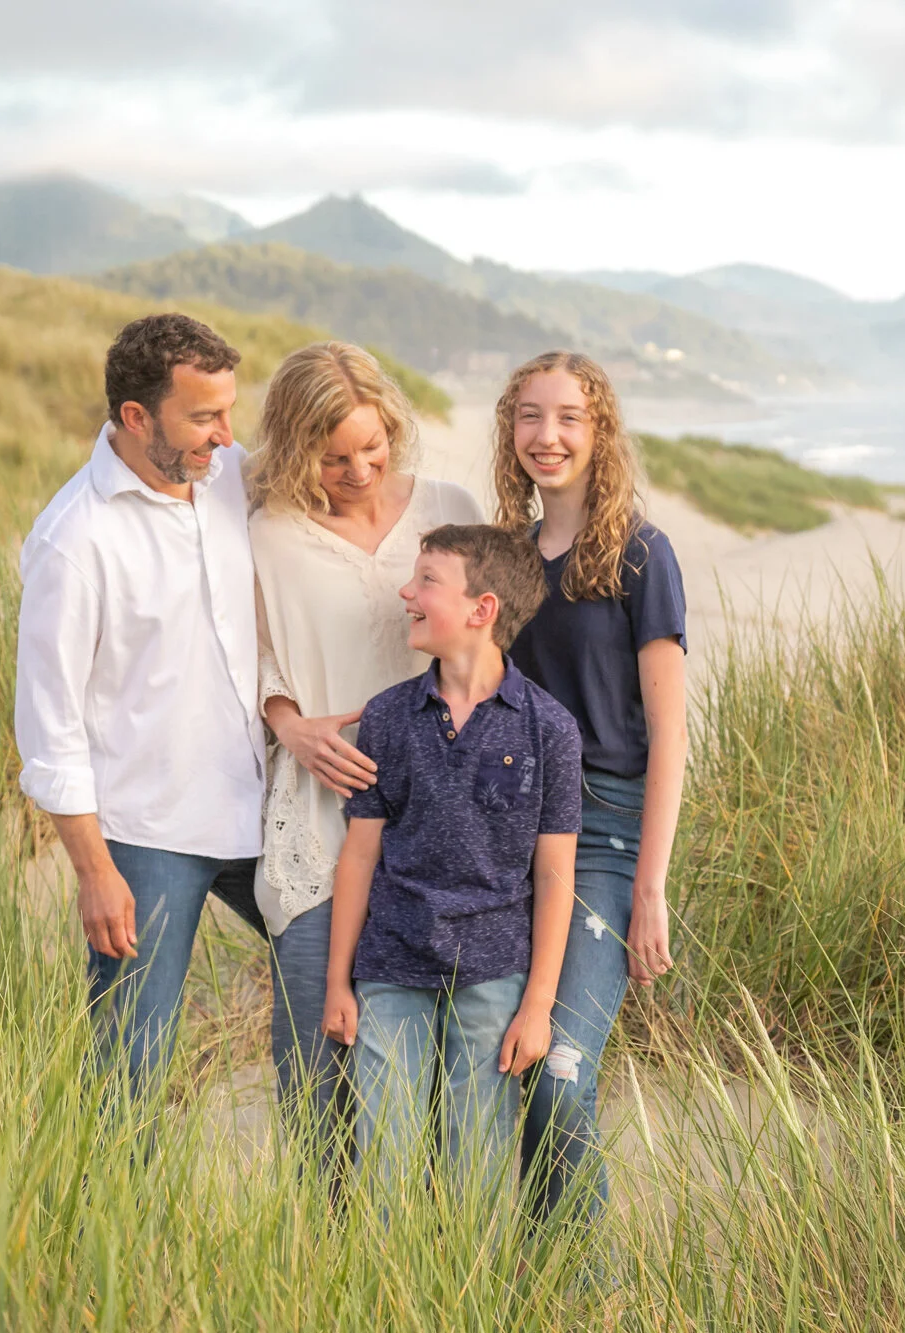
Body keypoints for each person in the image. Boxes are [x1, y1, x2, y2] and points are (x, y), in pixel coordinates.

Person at [15, 313, 269, 1095]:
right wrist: (94, 870)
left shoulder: (229, 476)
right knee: (130, 1063)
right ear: (135, 417)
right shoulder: (74, 540)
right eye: (203, 417)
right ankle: (111, 1212)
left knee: (354, 981)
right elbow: (49, 728)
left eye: (229, 411)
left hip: (269, 807)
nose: (227, 435)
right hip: (149, 833)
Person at [247, 341, 484, 1160]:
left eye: (373, 449)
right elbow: (247, 652)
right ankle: (323, 1263)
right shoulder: (268, 534)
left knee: (442, 1075)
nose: (358, 470)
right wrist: (288, 722)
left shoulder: (448, 506)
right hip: (321, 821)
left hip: (442, 832)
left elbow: (492, 639)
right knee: (317, 1066)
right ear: (293, 445)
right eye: (333, 455)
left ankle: (429, 1252)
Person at [321, 525, 581, 1203]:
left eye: (427, 580)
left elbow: (554, 875)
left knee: (479, 1167)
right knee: (386, 1160)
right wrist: (337, 982)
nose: (407, 591)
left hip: (495, 974)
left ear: (482, 608)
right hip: (390, 965)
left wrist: (538, 1006)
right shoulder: (388, 716)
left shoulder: (548, 728)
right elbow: (360, 853)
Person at [492, 351, 688, 1225]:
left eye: (569, 416)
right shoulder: (507, 560)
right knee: (514, 1065)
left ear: (599, 429)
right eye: (531, 416)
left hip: (606, 836)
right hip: (510, 834)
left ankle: (589, 1291)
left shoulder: (642, 555)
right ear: (511, 429)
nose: (548, 435)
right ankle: (542, 1280)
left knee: (561, 1073)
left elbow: (670, 734)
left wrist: (651, 886)